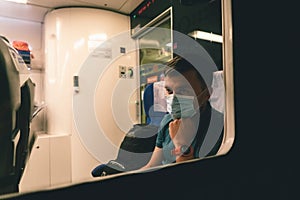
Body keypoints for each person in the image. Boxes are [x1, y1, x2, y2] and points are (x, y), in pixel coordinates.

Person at [141, 55, 224, 169]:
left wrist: (181, 145)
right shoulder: (167, 121)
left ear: (206, 95)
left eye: (183, 91)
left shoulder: (220, 130)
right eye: (169, 91)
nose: (174, 98)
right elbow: (152, 165)